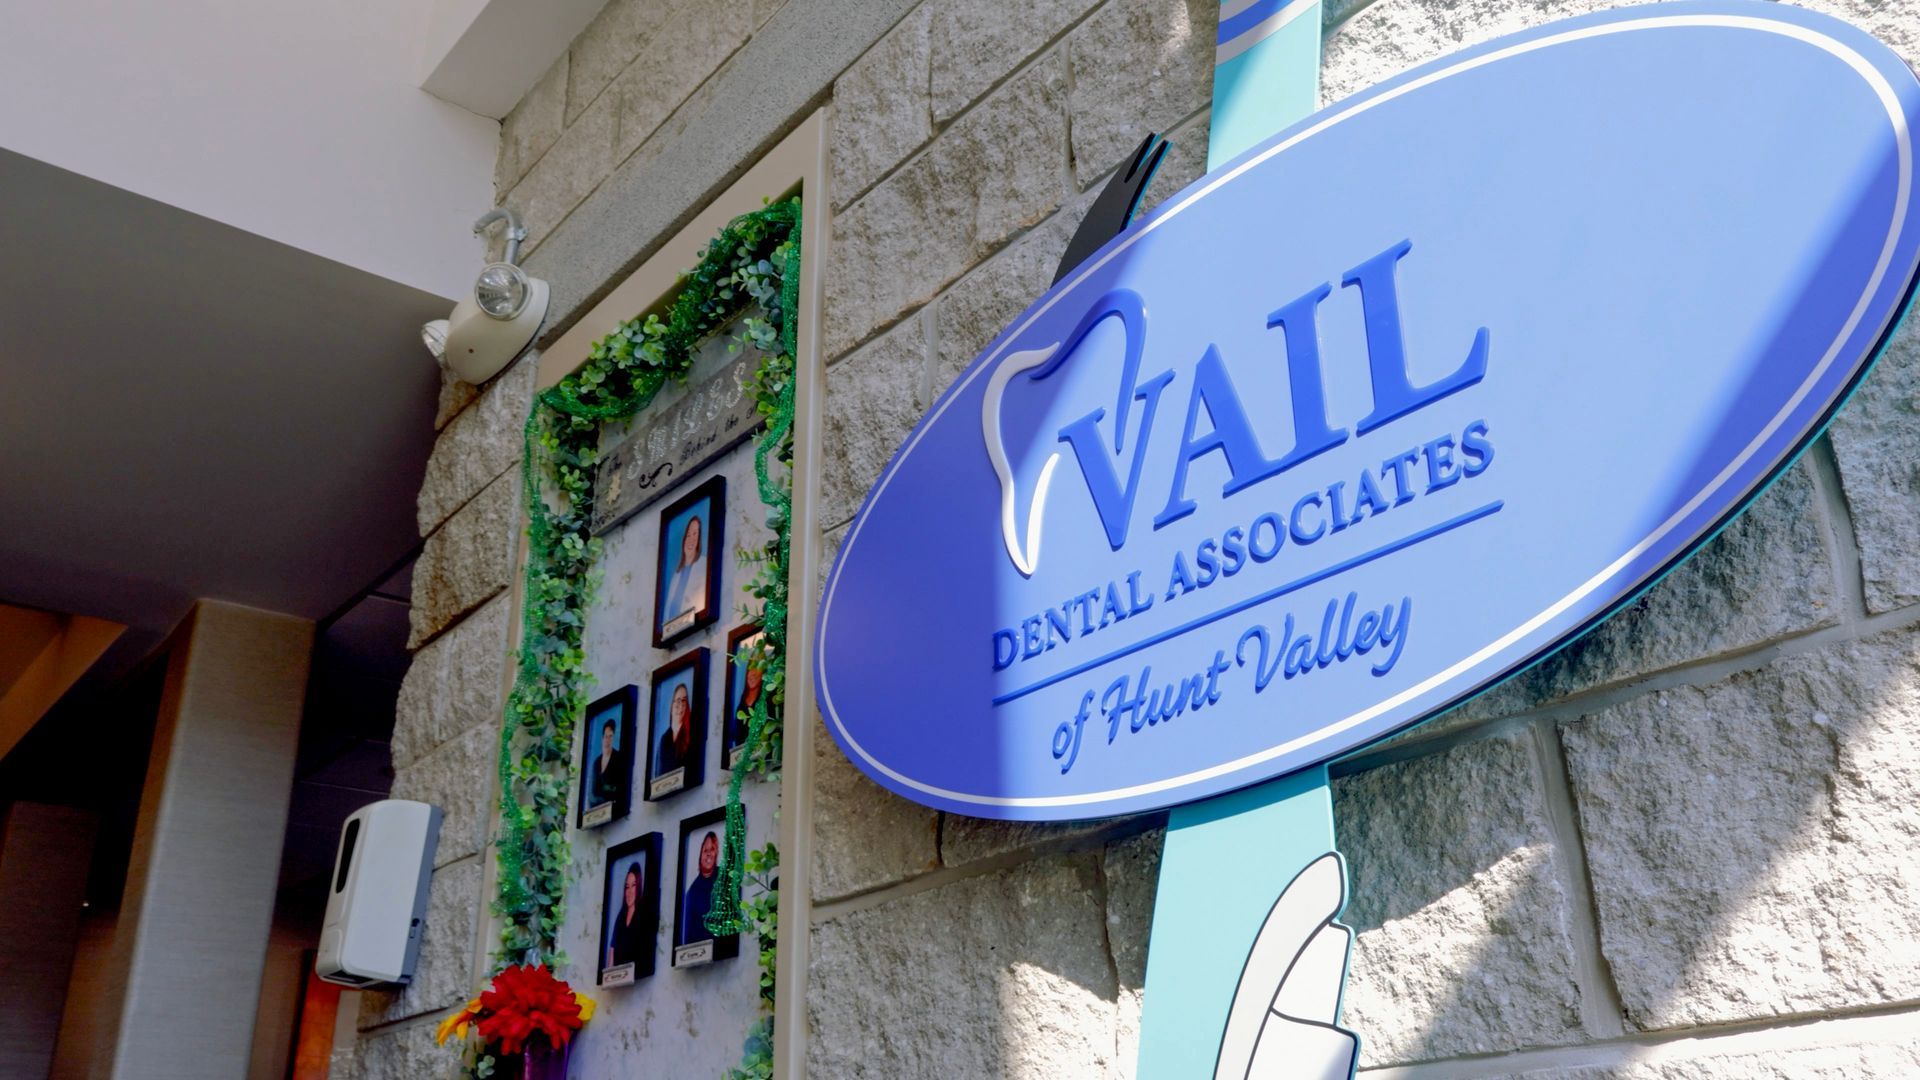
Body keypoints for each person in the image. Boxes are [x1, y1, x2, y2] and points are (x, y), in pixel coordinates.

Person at [660, 511, 707, 633]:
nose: (691, 540)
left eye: (695, 534)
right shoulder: (677, 574)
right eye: (688, 535)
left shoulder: (703, 565)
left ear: (699, 540)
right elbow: (666, 615)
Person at [680, 830, 719, 944]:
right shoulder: (692, 893)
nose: (708, 854)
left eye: (712, 849)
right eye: (705, 850)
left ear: (716, 852)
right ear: (700, 855)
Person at [606, 862, 646, 968]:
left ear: (638, 887)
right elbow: (612, 948)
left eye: (633, 886)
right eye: (627, 887)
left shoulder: (642, 915)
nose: (630, 892)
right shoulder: (620, 917)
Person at [655, 681, 693, 779]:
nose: (680, 706)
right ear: (671, 705)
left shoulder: (691, 734)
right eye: (678, 700)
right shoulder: (664, 739)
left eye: (684, 701)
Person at [587, 716, 624, 806]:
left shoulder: (619, 758)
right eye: (606, 736)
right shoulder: (596, 762)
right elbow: (592, 792)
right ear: (602, 738)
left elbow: (619, 787)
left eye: (610, 736)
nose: (608, 740)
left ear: (613, 737)